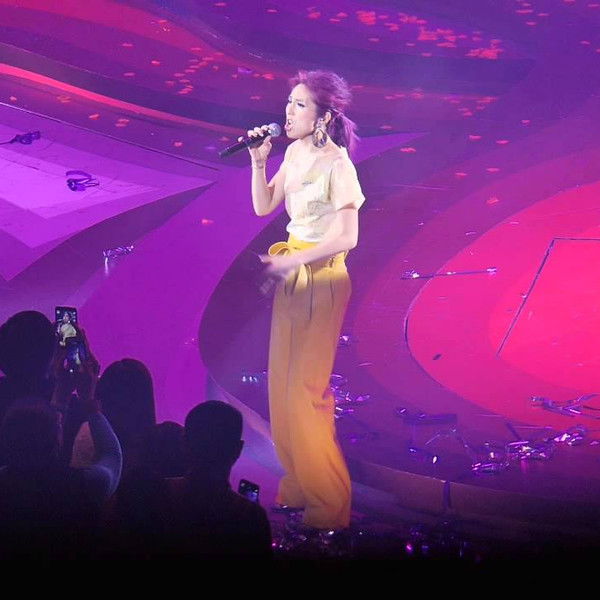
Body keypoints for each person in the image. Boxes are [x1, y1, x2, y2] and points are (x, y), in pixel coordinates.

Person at [241, 69, 366, 530]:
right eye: (288, 102)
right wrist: (258, 162)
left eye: (299, 105)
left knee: (306, 393)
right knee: (282, 387)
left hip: (322, 278)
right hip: (292, 273)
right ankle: (297, 485)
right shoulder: (293, 152)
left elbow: (347, 236)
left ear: (323, 116)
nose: (288, 112)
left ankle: (330, 506)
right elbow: (264, 205)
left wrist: (295, 261)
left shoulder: (338, 165)